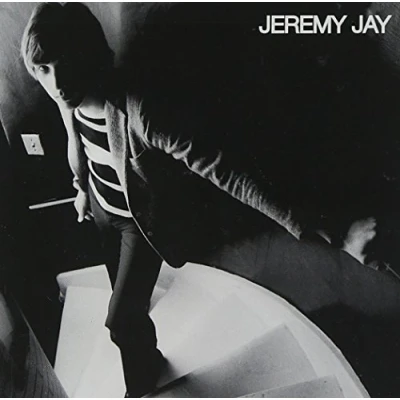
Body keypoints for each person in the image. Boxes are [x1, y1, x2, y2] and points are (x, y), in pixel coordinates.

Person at [20, 2, 317, 396]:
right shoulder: (68, 100)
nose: (56, 83)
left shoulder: (137, 109)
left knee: (120, 321)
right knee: (128, 306)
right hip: (103, 211)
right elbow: (78, 145)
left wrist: (311, 225)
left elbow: (223, 169)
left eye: (65, 63)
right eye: (43, 69)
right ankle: (147, 353)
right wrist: (81, 189)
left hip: (139, 224)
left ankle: (140, 388)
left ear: (87, 53)